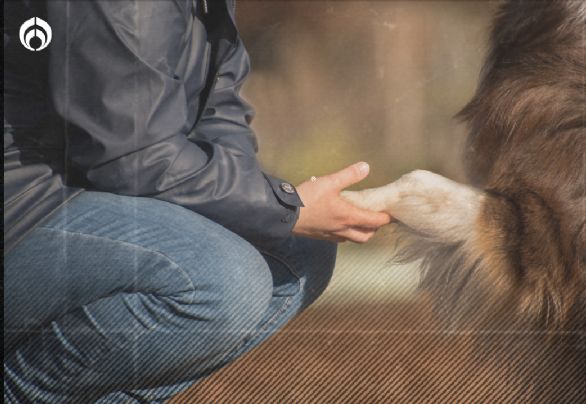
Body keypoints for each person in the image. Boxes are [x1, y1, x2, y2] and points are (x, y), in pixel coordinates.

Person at [3, 1, 391, 402]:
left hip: (83, 195)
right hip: (24, 210)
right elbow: (132, 157)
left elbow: (218, 115)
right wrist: (282, 208)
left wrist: (276, 210)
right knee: (221, 280)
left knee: (298, 252)